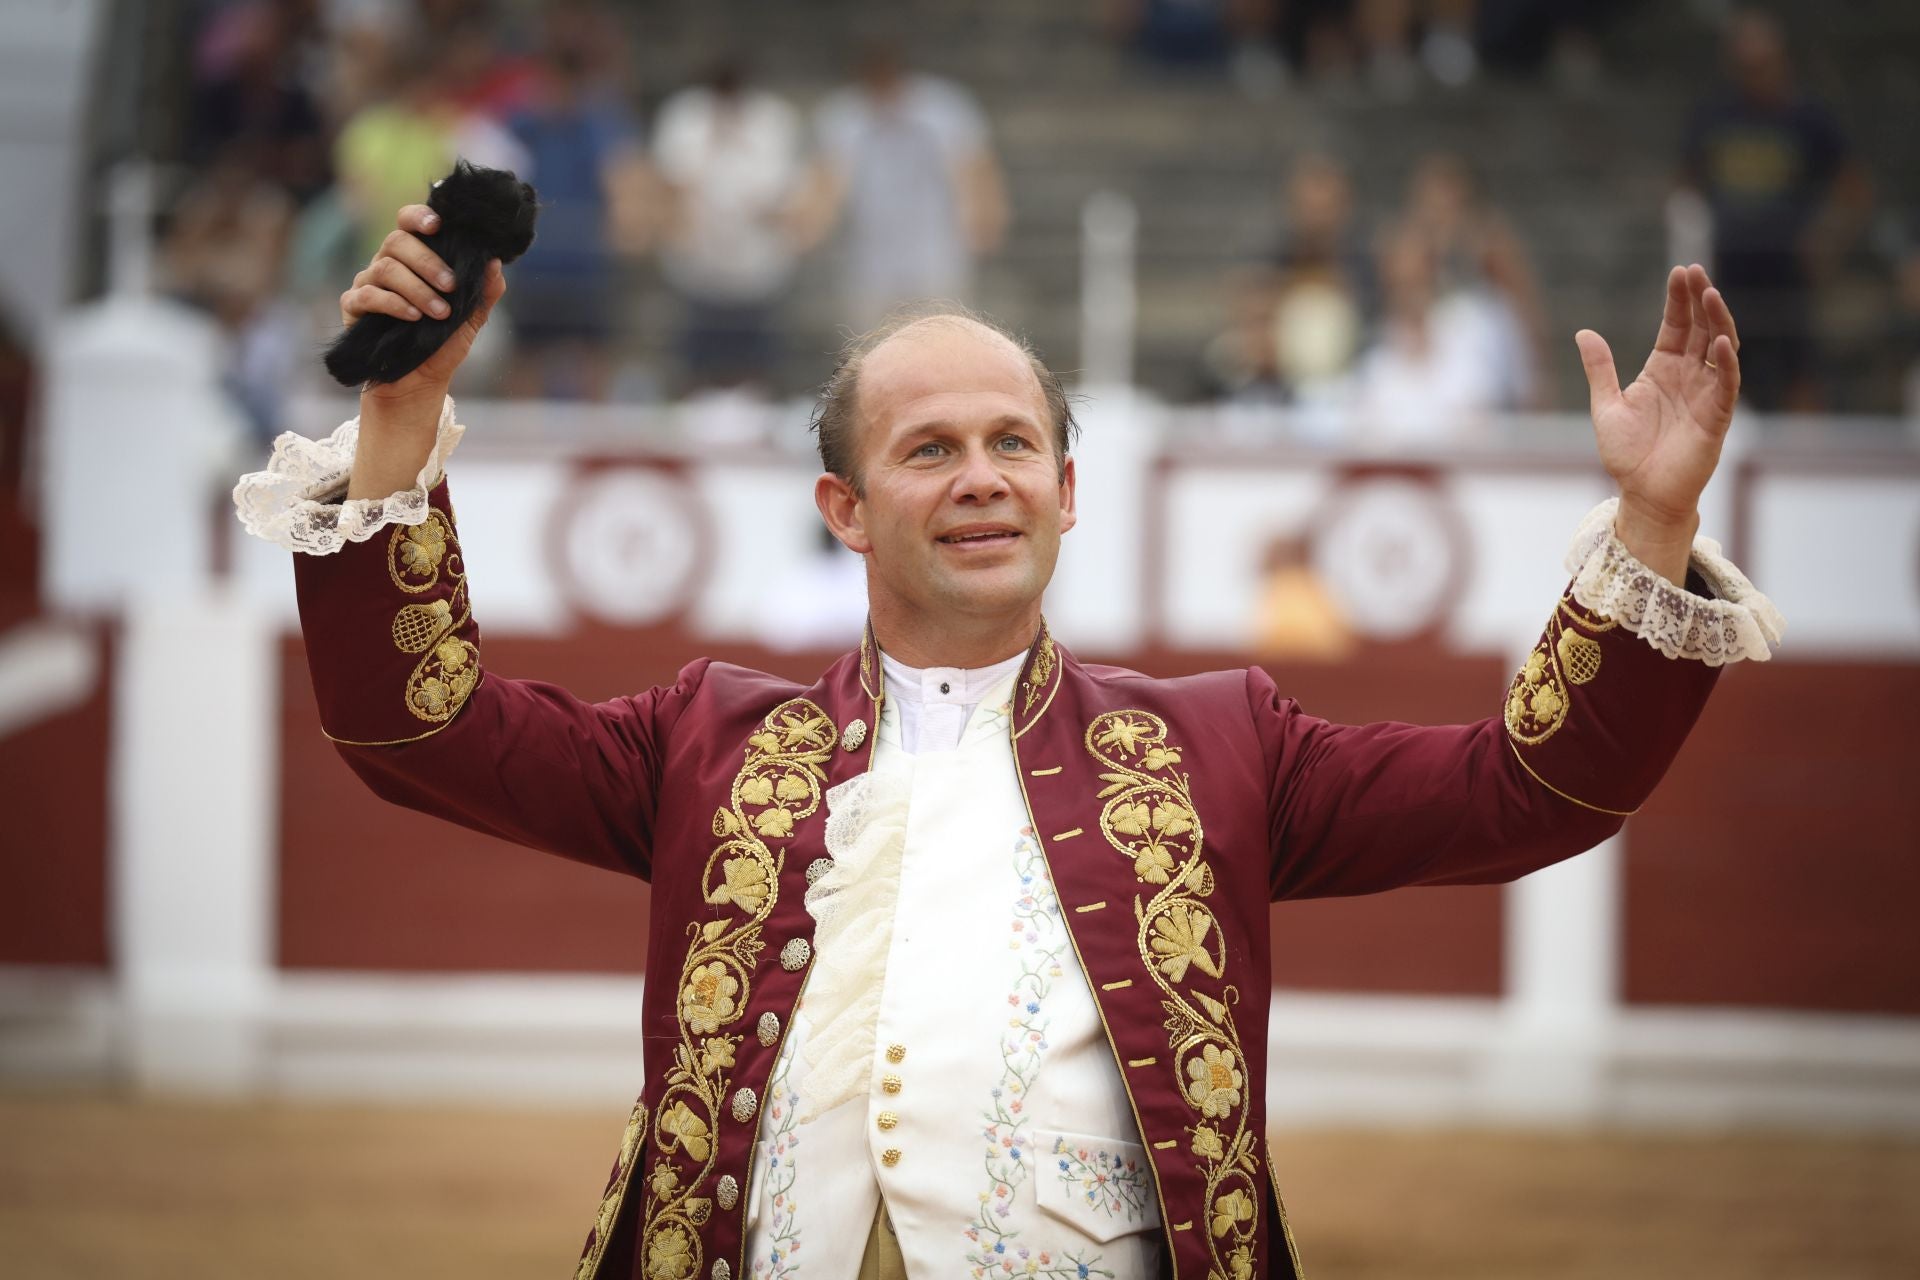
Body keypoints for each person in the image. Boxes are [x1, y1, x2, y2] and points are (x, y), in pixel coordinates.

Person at [232, 202, 1783, 1280]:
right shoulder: (704, 745)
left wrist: (1651, 520)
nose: (981, 478)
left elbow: (1531, 792)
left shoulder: (1222, 747)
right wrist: (398, 425)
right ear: (843, 510)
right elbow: (411, 727)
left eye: (1012, 444)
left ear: (1067, 487)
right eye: (928, 451)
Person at [1679, 9, 1870, 413]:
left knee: (1800, 374)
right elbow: (1685, 186)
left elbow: (1853, 189)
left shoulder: (1807, 118)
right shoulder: (1716, 116)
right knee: (1725, 369)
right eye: (1745, 66)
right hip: (1730, 271)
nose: (1755, 75)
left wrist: (1826, 242)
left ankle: (1810, 469)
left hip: (1789, 273)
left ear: (1781, 60)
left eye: (1762, 64)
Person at [796, 41, 1009, 327]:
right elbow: (826, 179)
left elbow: (977, 168)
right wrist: (811, 224)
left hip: (936, 247)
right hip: (869, 252)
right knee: (867, 338)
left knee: (942, 330)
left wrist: (987, 218)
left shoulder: (945, 109)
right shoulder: (842, 116)